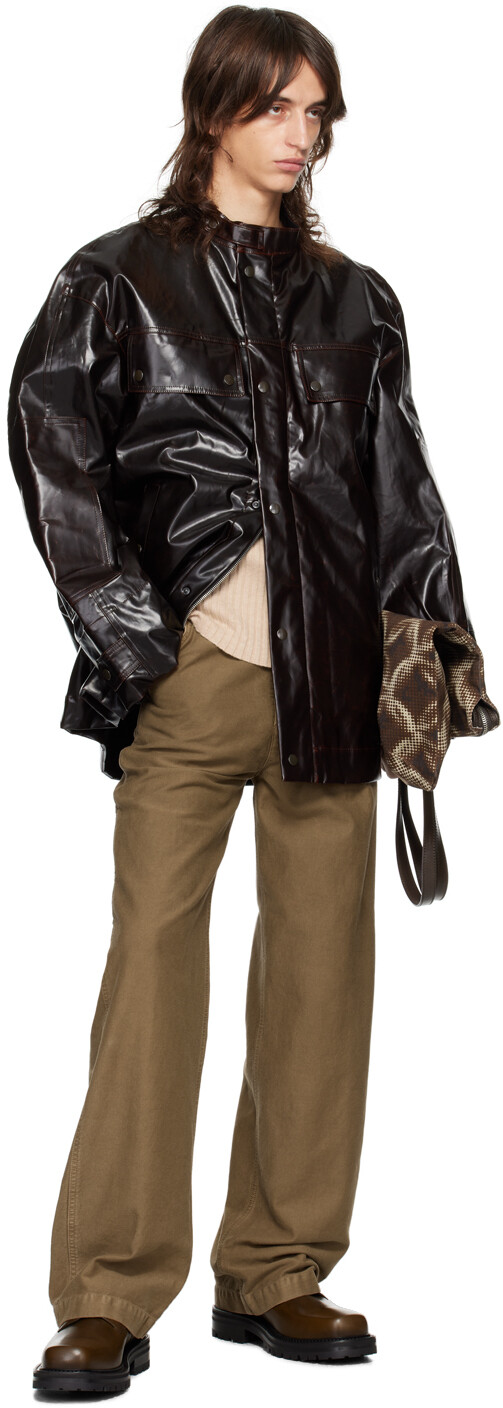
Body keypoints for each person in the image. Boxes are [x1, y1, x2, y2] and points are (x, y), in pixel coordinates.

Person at [8, 5, 481, 1391]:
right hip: (189, 677)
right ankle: (107, 1292)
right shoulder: (117, 278)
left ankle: (278, 1273)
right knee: (152, 973)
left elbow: (402, 488)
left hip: (333, 673)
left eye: (317, 112)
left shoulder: (357, 300)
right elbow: (50, 438)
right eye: (277, 105)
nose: (301, 134)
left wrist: (434, 663)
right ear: (213, 105)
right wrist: (130, 632)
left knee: (324, 981)